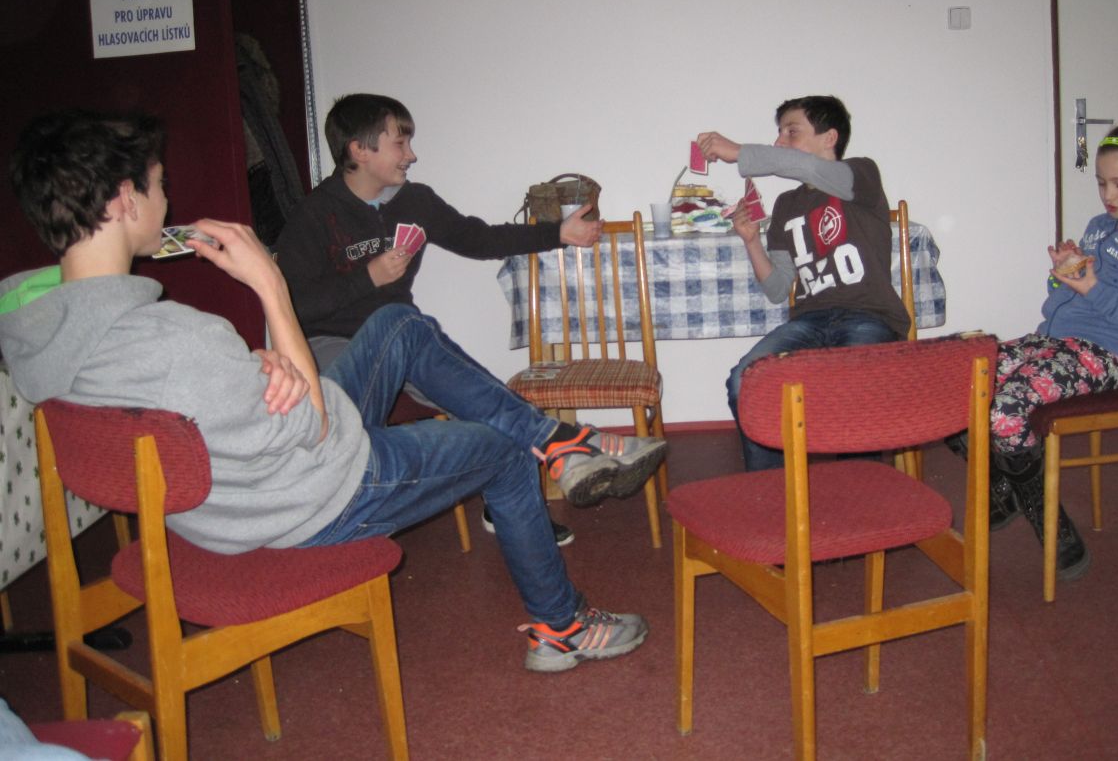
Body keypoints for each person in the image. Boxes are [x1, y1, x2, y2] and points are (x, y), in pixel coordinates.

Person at [0, 109, 666, 672]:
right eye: (157, 184)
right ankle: (562, 624)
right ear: (124, 200)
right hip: (305, 497)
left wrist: (256, 369)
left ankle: (560, 442)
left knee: (399, 323)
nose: (165, 200)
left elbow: (196, 401)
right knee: (502, 450)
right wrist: (269, 286)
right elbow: (312, 430)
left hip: (232, 493)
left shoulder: (38, 328)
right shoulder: (182, 338)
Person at [275, 93, 608, 546]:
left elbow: (478, 239)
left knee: (486, 401)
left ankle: (509, 506)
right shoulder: (314, 214)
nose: (411, 155)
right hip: (334, 345)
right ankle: (346, 512)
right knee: (375, 386)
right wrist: (367, 278)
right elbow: (292, 305)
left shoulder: (416, 201)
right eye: (400, 143)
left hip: (406, 340)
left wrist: (558, 234)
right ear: (359, 150)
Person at [973, 123, 1118, 581]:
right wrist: (1062, 277)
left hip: (1100, 354)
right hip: (1054, 341)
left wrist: (1091, 287)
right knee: (961, 376)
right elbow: (1061, 301)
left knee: (1006, 409)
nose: (1108, 195)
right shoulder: (1098, 227)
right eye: (1101, 183)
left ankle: (1053, 526)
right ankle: (1009, 487)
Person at [696, 95, 910, 471]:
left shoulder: (861, 175)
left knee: (853, 388)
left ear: (829, 137)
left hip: (869, 316)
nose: (779, 141)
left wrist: (740, 152)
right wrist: (751, 241)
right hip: (809, 322)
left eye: (791, 131)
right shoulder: (786, 206)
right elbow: (778, 288)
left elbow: (801, 166)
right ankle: (772, 490)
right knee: (746, 381)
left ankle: (863, 490)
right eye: (779, 132)